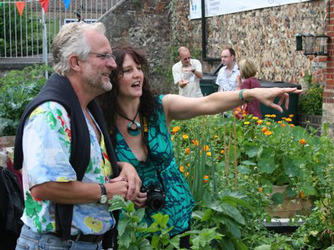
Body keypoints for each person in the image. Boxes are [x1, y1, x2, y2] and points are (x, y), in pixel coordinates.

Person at [98, 45, 302, 249]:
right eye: (127, 70)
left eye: (139, 68)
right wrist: (123, 166)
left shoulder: (161, 107)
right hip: (132, 225)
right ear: (112, 77)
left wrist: (251, 94)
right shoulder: (101, 121)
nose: (137, 75)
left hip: (175, 215)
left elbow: (208, 103)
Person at [13, 22, 142, 250]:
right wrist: (107, 192)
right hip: (55, 244)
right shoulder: (51, 113)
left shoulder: (85, 110)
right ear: (75, 62)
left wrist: (123, 168)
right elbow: (44, 186)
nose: (113, 64)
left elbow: (84, 166)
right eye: (104, 56)